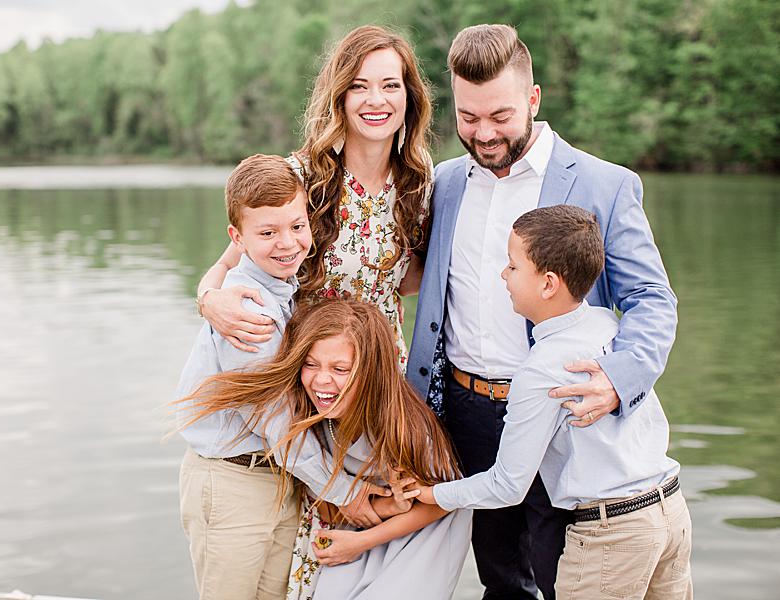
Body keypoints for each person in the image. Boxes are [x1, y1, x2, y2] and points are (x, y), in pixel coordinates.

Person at [405, 24, 678, 600]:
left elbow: (652, 300)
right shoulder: (444, 183)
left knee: (565, 579)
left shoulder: (605, 184)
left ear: (533, 99)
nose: (483, 134)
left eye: (499, 116)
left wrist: (618, 380)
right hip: (463, 411)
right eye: (468, 117)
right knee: (500, 581)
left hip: (566, 413)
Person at [412, 205, 692, 600]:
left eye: (512, 266)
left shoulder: (541, 368)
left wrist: (432, 494)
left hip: (612, 534)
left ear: (547, 284)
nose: (503, 275)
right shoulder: (608, 324)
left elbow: (508, 486)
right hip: (670, 512)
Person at [175, 154, 386, 600]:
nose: (287, 243)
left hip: (278, 481)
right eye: (267, 233)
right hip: (232, 480)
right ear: (238, 238)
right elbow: (274, 423)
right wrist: (343, 488)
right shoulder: (247, 312)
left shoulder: (282, 291)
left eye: (296, 226)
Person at [183, 299, 472, 599]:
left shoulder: (401, 424)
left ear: (369, 370)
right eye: (310, 364)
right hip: (358, 527)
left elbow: (445, 501)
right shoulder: (314, 420)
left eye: (340, 368)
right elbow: (323, 499)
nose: (322, 380)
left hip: (418, 536)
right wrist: (386, 508)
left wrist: (365, 540)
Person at [195, 24, 433, 371]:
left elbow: (409, 279)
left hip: (382, 370)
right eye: (359, 87)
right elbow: (229, 262)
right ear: (341, 97)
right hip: (311, 373)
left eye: (390, 86)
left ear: (408, 96)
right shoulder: (303, 176)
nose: (376, 100)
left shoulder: (417, 176)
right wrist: (209, 301)